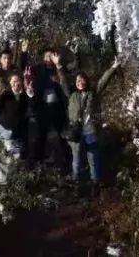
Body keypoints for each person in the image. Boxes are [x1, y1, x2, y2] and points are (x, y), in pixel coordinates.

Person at [51, 51, 120, 193]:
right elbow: (63, 81)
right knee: (76, 160)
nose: (79, 82)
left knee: (93, 159)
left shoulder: (93, 93)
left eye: (82, 80)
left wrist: (113, 68)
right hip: (75, 132)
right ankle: (76, 183)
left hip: (90, 131)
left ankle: (95, 183)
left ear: (86, 81)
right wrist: (58, 66)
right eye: (77, 81)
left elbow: (103, 80)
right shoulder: (71, 94)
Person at [25, 45, 66, 165]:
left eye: (51, 56)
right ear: (43, 58)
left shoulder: (59, 69)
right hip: (43, 107)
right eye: (46, 56)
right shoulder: (38, 69)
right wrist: (23, 54)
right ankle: (38, 161)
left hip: (57, 107)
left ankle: (67, 159)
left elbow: (71, 73)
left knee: (62, 133)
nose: (48, 58)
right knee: (41, 134)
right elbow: (25, 69)